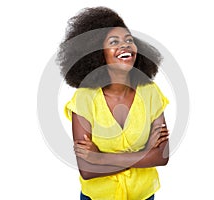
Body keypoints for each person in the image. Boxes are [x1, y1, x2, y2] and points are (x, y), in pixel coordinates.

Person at [57, 6, 170, 200]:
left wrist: (100, 158)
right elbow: (87, 169)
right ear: (99, 54)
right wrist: (144, 154)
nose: (124, 45)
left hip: (143, 196)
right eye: (114, 41)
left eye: (129, 40)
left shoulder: (150, 92)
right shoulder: (84, 99)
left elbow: (161, 156)